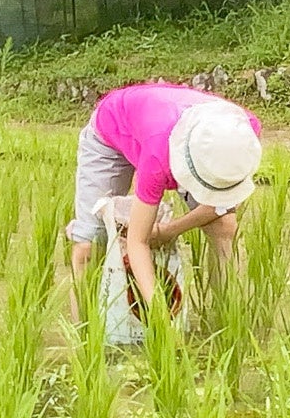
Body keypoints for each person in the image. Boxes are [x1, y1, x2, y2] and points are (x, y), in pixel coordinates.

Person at [66, 82, 263, 309]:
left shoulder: (243, 134)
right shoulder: (157, 158)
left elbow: (218, 206)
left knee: (223, 225)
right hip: (113, 130)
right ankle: (83, 328)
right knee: (89, 245)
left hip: (173, 131)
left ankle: (226, 319)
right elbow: (138, 241)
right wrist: (160, 312)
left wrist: (168, 230)